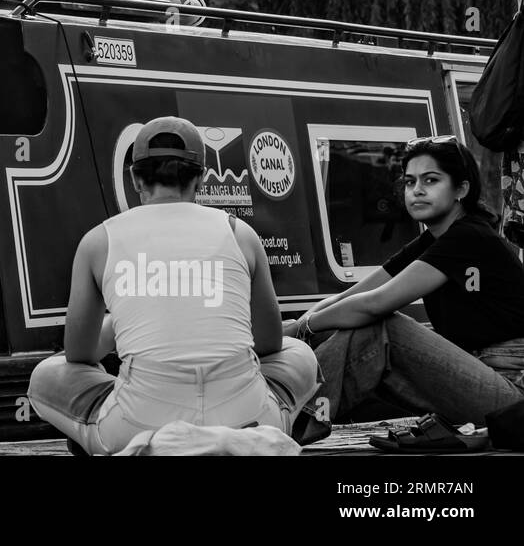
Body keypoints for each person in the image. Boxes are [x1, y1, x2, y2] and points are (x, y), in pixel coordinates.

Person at [28, 117, 322, 455]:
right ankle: (234, 438)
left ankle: (150, 441)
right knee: (299, 353)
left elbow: (79, 355)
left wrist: (116, 326)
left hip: (136, 422)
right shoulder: (241, 234)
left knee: (47, 375)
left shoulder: (97, 241)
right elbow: (269, 344)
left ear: (136, 180)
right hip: (247, 416)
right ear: (201, 178)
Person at [288, 136, 524, 426]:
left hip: (513, 396)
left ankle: (288, 417)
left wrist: (302, 328)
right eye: (410, 182)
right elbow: (351, 296)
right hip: (480, 375)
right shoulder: (433, 240)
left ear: (461, 188)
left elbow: (376, 304)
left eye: (431, 180)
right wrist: (297, 329)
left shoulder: (470, 236)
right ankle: (285, 410)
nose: (417, 191)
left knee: (381, 328)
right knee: (332, 326)